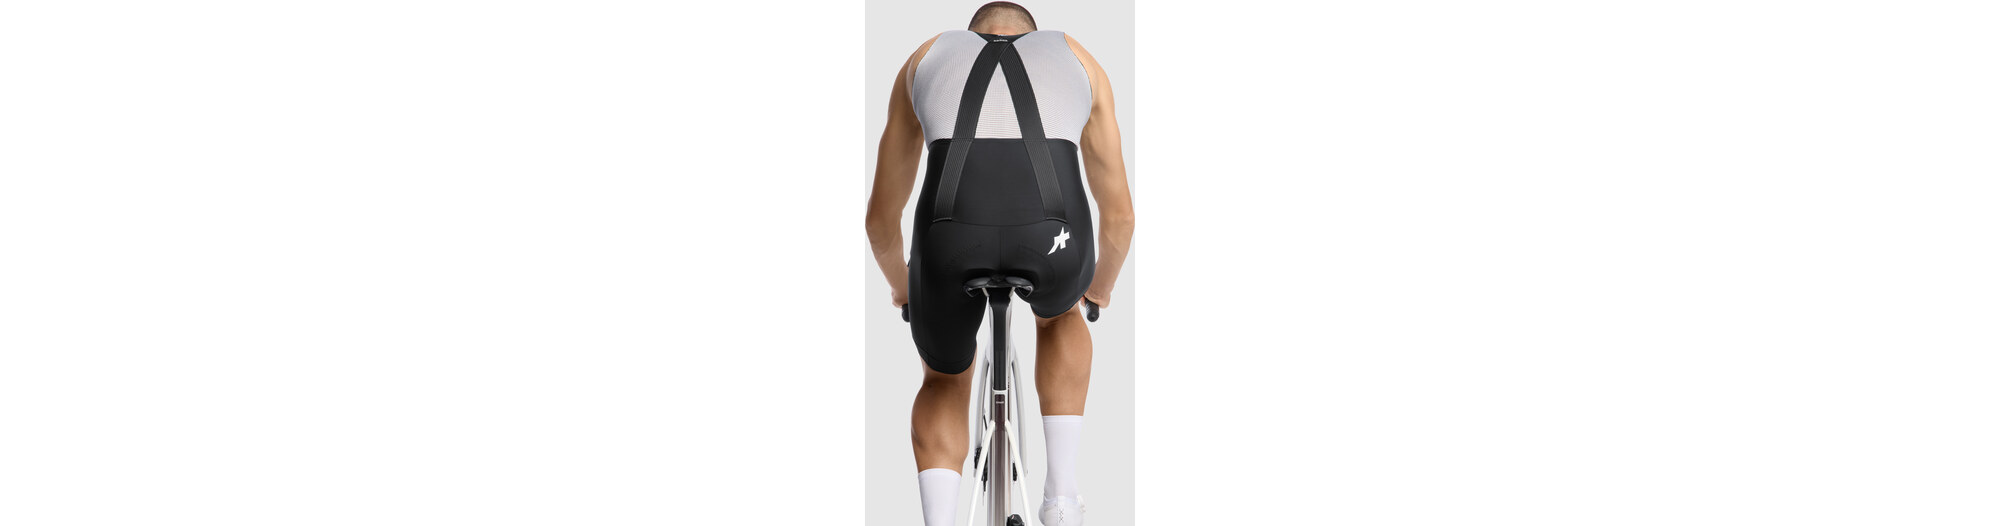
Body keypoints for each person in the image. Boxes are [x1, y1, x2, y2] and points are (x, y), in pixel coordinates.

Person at [865, 2, 1134, 525]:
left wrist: (904, 288)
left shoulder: (926, 57)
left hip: (948, 239)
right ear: (1033, 35)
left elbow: (880, 220)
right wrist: (1098, 289)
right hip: (1052, 234)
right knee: (1061, 318)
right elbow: (1120, 217)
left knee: (943, 380)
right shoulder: (1078, 58)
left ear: (971, 35)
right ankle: (1061, 497)